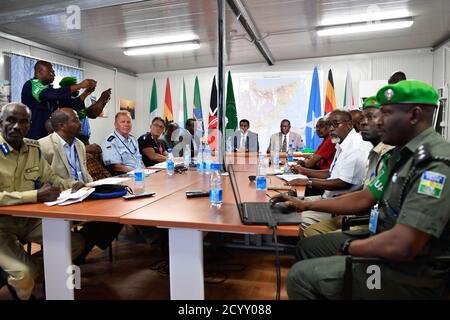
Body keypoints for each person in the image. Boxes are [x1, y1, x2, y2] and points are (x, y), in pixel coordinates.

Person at [273, 80, 450, 299]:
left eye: (385, 113)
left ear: (414, 115)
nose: (378, 122)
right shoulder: (400, 155)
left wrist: (352, 248)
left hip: (410, 270)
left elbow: (404, 245)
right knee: (308, 247)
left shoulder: (435, 164)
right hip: (382, 238)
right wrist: (304, 204)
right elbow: (364, 198)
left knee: (299, 277)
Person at [0, 102, 85, 300]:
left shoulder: (33, 148)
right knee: (25, 272)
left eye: (23, 122)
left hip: (29, 220)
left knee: (74, 242)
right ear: (1, 122)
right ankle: (22, 278)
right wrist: (35, 196)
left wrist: (72, 185)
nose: (17, 127)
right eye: (11, 120)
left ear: (29, 125)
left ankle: (21, 277)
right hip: (1, 224)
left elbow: (52, 179)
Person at [39, 108, 123, 264]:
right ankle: (77, 251)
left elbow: (84, 172)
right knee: (105, 218)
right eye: (76, 120)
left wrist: (94, 185)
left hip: (84, 193)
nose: (80, 123)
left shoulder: (79, 144)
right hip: (62, 197)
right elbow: (45, 179)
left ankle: (80, 250)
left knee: (118, 210)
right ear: (62, 125)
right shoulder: (43, 145)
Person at [302, 97, 393, 236]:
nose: (362, 123)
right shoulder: (372, 152)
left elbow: (357, 192)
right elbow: (365, 187)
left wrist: (307, 182)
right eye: (363, 118)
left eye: (370, 117)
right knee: (300, 216)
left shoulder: (385, 154)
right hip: (346, 206)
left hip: (364, 220)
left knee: (300, 221)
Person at [288, 110, 372, 226]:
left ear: (349, 125)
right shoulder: (341, 143)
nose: (331, 128)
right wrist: (304, 176)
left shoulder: (355, 148)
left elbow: (342, 183)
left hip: (340, 207)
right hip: (327, 197)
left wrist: (309, 182)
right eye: (329, 125)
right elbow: (331, 173)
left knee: (292, 217)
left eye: (336, 124)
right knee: (287, 203)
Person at [21, 60, 96, 140]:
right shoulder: (31, 84)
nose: (54, 75)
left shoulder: (50, 89)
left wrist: (86, 93)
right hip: (33, 136)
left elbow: (70, 105)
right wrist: (80, 85)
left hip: (50, 136)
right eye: (51, 72)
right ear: (40, 71)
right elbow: (50, 94)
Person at [58, 76, 112, 145]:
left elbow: (91, 114)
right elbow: (74, 105)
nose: (78, 89)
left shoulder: (77, 101)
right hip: (73, 140)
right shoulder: (63, 101)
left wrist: (102, 101)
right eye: (75, 86)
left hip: (84, 139)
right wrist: (87, 92)